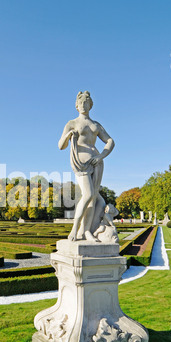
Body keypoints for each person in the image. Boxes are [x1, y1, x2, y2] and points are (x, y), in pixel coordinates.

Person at [58, 91, 115, 241]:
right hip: (81, 163)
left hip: (97, 161)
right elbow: (60, 146)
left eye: (86, 103)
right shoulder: (72, 123)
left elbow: (110, 141)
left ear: (91, 105)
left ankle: (86, 231)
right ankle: (75, 229)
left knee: (94, 197)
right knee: (88, 194)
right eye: (81, 103)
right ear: (76, 106)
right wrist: (68, 135)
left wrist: (101, 155)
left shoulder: (96, 125)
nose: (83, 105)